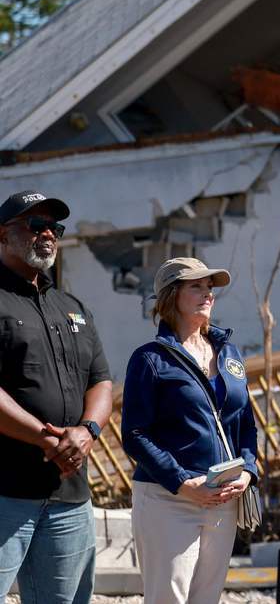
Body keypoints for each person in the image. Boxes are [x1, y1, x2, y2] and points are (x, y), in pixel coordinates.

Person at [121, 258, 258, 604]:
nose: (208, 294)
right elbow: (134, 434)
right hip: (168, 499)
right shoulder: (150, 359)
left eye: (210, 287)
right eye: (196, 286)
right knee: (168, 598)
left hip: (224, 497)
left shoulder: (229, 353)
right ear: (171, 296)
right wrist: (182, 482)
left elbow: (246, 423)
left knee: (206, 599)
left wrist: (249, 471)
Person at [0, 191, 112, 604]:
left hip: (68, 495)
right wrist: (44, 439)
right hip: (6, 492)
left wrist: (88, 431)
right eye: (35, 225)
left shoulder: (72, 305)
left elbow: (101, 381)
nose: (47, 234)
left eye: (54, 228)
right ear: (2, 234)